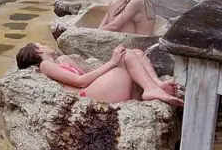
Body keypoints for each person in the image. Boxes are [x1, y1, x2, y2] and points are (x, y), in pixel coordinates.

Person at [15, 42, 183, 107]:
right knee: (127, 56)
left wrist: (114, 61)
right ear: (38, 50)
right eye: (41, 44)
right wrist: (112, 62)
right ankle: (149, 90)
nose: (46, 44)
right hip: (85, 95)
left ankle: (155, 85)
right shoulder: (45, 65)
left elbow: (89, 75)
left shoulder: (62, 60)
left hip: (97, 88)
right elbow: (80, 81)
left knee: (137, 52)